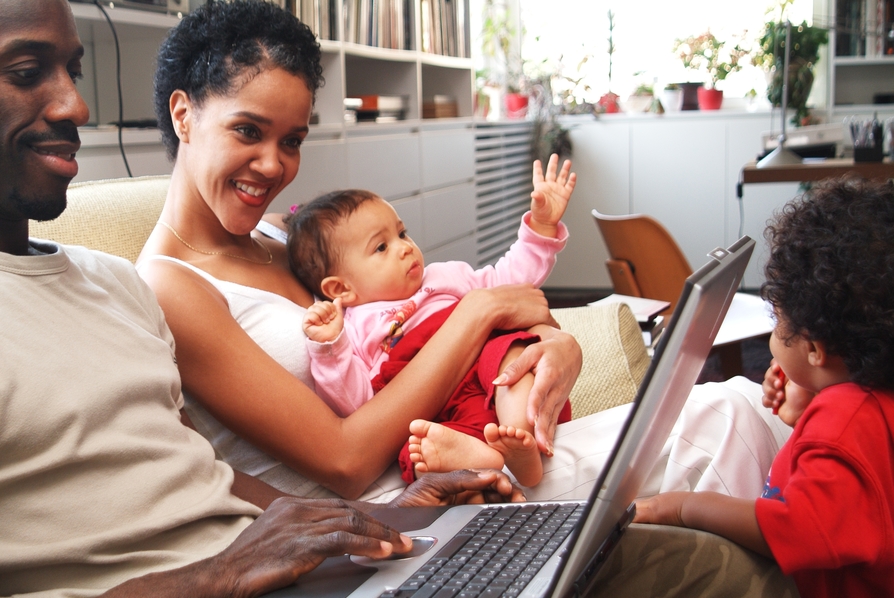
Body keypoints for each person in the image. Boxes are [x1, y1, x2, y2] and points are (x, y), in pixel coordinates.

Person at [0, 1, 826, 598]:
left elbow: (200, 474)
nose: (72, 101)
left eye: (70, 66)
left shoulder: (102, 284)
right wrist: (223, 574)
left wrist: (378, 521)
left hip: (281, 581)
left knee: (732, 585)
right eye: (30, 71)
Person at [135, 0, 578, 501]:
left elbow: (431, 306)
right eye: (248, 131)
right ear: (183, 115)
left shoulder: (285, 235)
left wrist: (555, 344)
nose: (271, 165)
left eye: (292, 141)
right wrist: (480, 313)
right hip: (391, 511)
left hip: (469, 459)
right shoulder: (170, 284)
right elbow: (346, 462)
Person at [634, 177, 894, 598]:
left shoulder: (843, 423)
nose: (772, 337)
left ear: (817, 349)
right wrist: (809, 405)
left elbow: (805, 526)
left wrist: (685, 508)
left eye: (778, 323)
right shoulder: (865, 401)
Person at [287, 156, 575, 486]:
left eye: (402, 233)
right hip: (431, 405)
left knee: (512, 357)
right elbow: (359, 402)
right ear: (341, 288)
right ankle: (482, 457)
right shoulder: (352, 328)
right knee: (418, 447)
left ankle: (521, 435)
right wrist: (329, 347)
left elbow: (512, 278)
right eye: (381, 247)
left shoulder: (445, 276)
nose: (405, 248)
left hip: (485, 369)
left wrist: (540, 229)